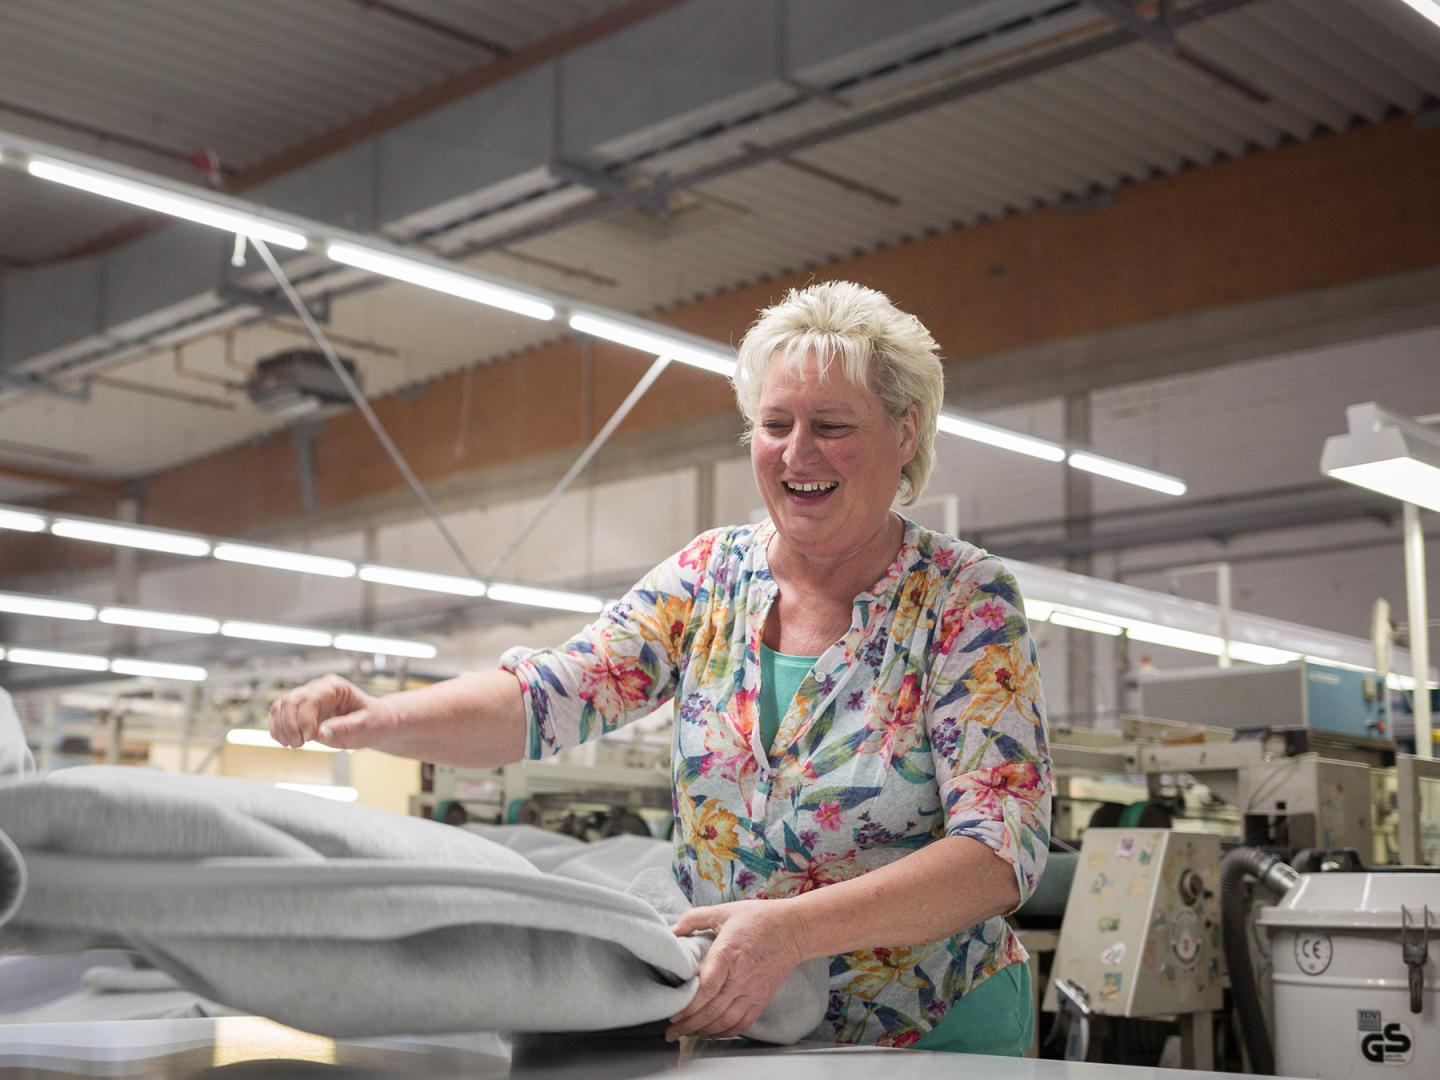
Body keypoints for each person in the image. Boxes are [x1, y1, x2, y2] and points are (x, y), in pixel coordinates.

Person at [269, 280, 1051, 1054]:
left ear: (905, 432)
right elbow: (550, 696)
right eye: (773, 423)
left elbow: (999, 851)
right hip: (747, 1017)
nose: (796, 452)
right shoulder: (710, 577)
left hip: (932, 1026)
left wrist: (792, 933)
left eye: (832, 424)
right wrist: (380, 717)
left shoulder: (963, 600)